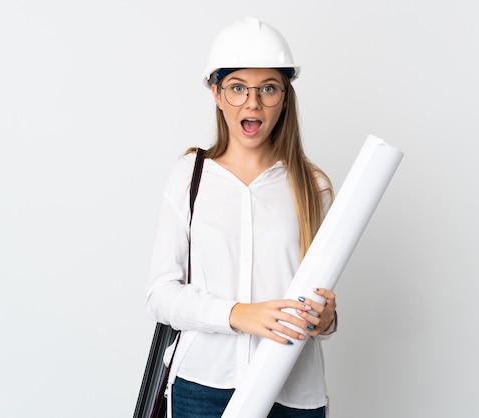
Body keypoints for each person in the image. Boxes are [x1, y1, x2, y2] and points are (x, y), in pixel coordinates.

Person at [145, 17, 338, 418]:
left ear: (285, 97)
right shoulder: (190, 176)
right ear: (217, 94)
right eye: (237, 88)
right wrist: (239, 315)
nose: (253, 103)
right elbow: (161, 295)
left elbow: (319, 301)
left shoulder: (312, 185)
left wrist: (327, 318)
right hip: (204, 388)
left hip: (294, 393)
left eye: (268, 88)